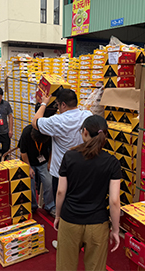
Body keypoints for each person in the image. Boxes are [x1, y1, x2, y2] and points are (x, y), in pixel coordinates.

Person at [54, 115, 122, 271]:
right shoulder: (112, 162)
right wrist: (116, 229)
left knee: (65, 267)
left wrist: (58, 215)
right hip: (97, 224)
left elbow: (60, 191)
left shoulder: (69, 156)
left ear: (84, 132)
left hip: (70, 220)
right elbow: (114, 201)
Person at [33, 88, 92, 200]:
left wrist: (44, 103)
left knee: (61, 202)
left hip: (61, 173)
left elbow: (35, 122)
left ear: (63, 105)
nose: (58, 109)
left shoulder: (57, 121)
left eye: (58, 105)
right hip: (82, 171)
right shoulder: (87, 115)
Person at [18, 122, 55, 215]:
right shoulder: (26, 132)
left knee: (49, 182)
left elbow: (52, 149)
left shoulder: (48, 132)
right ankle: (32, 206)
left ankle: (50, 206)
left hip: (44, 161)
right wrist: (29, 167)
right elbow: (23, 152)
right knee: (29, 184)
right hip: (28, 161)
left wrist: (50, 162)